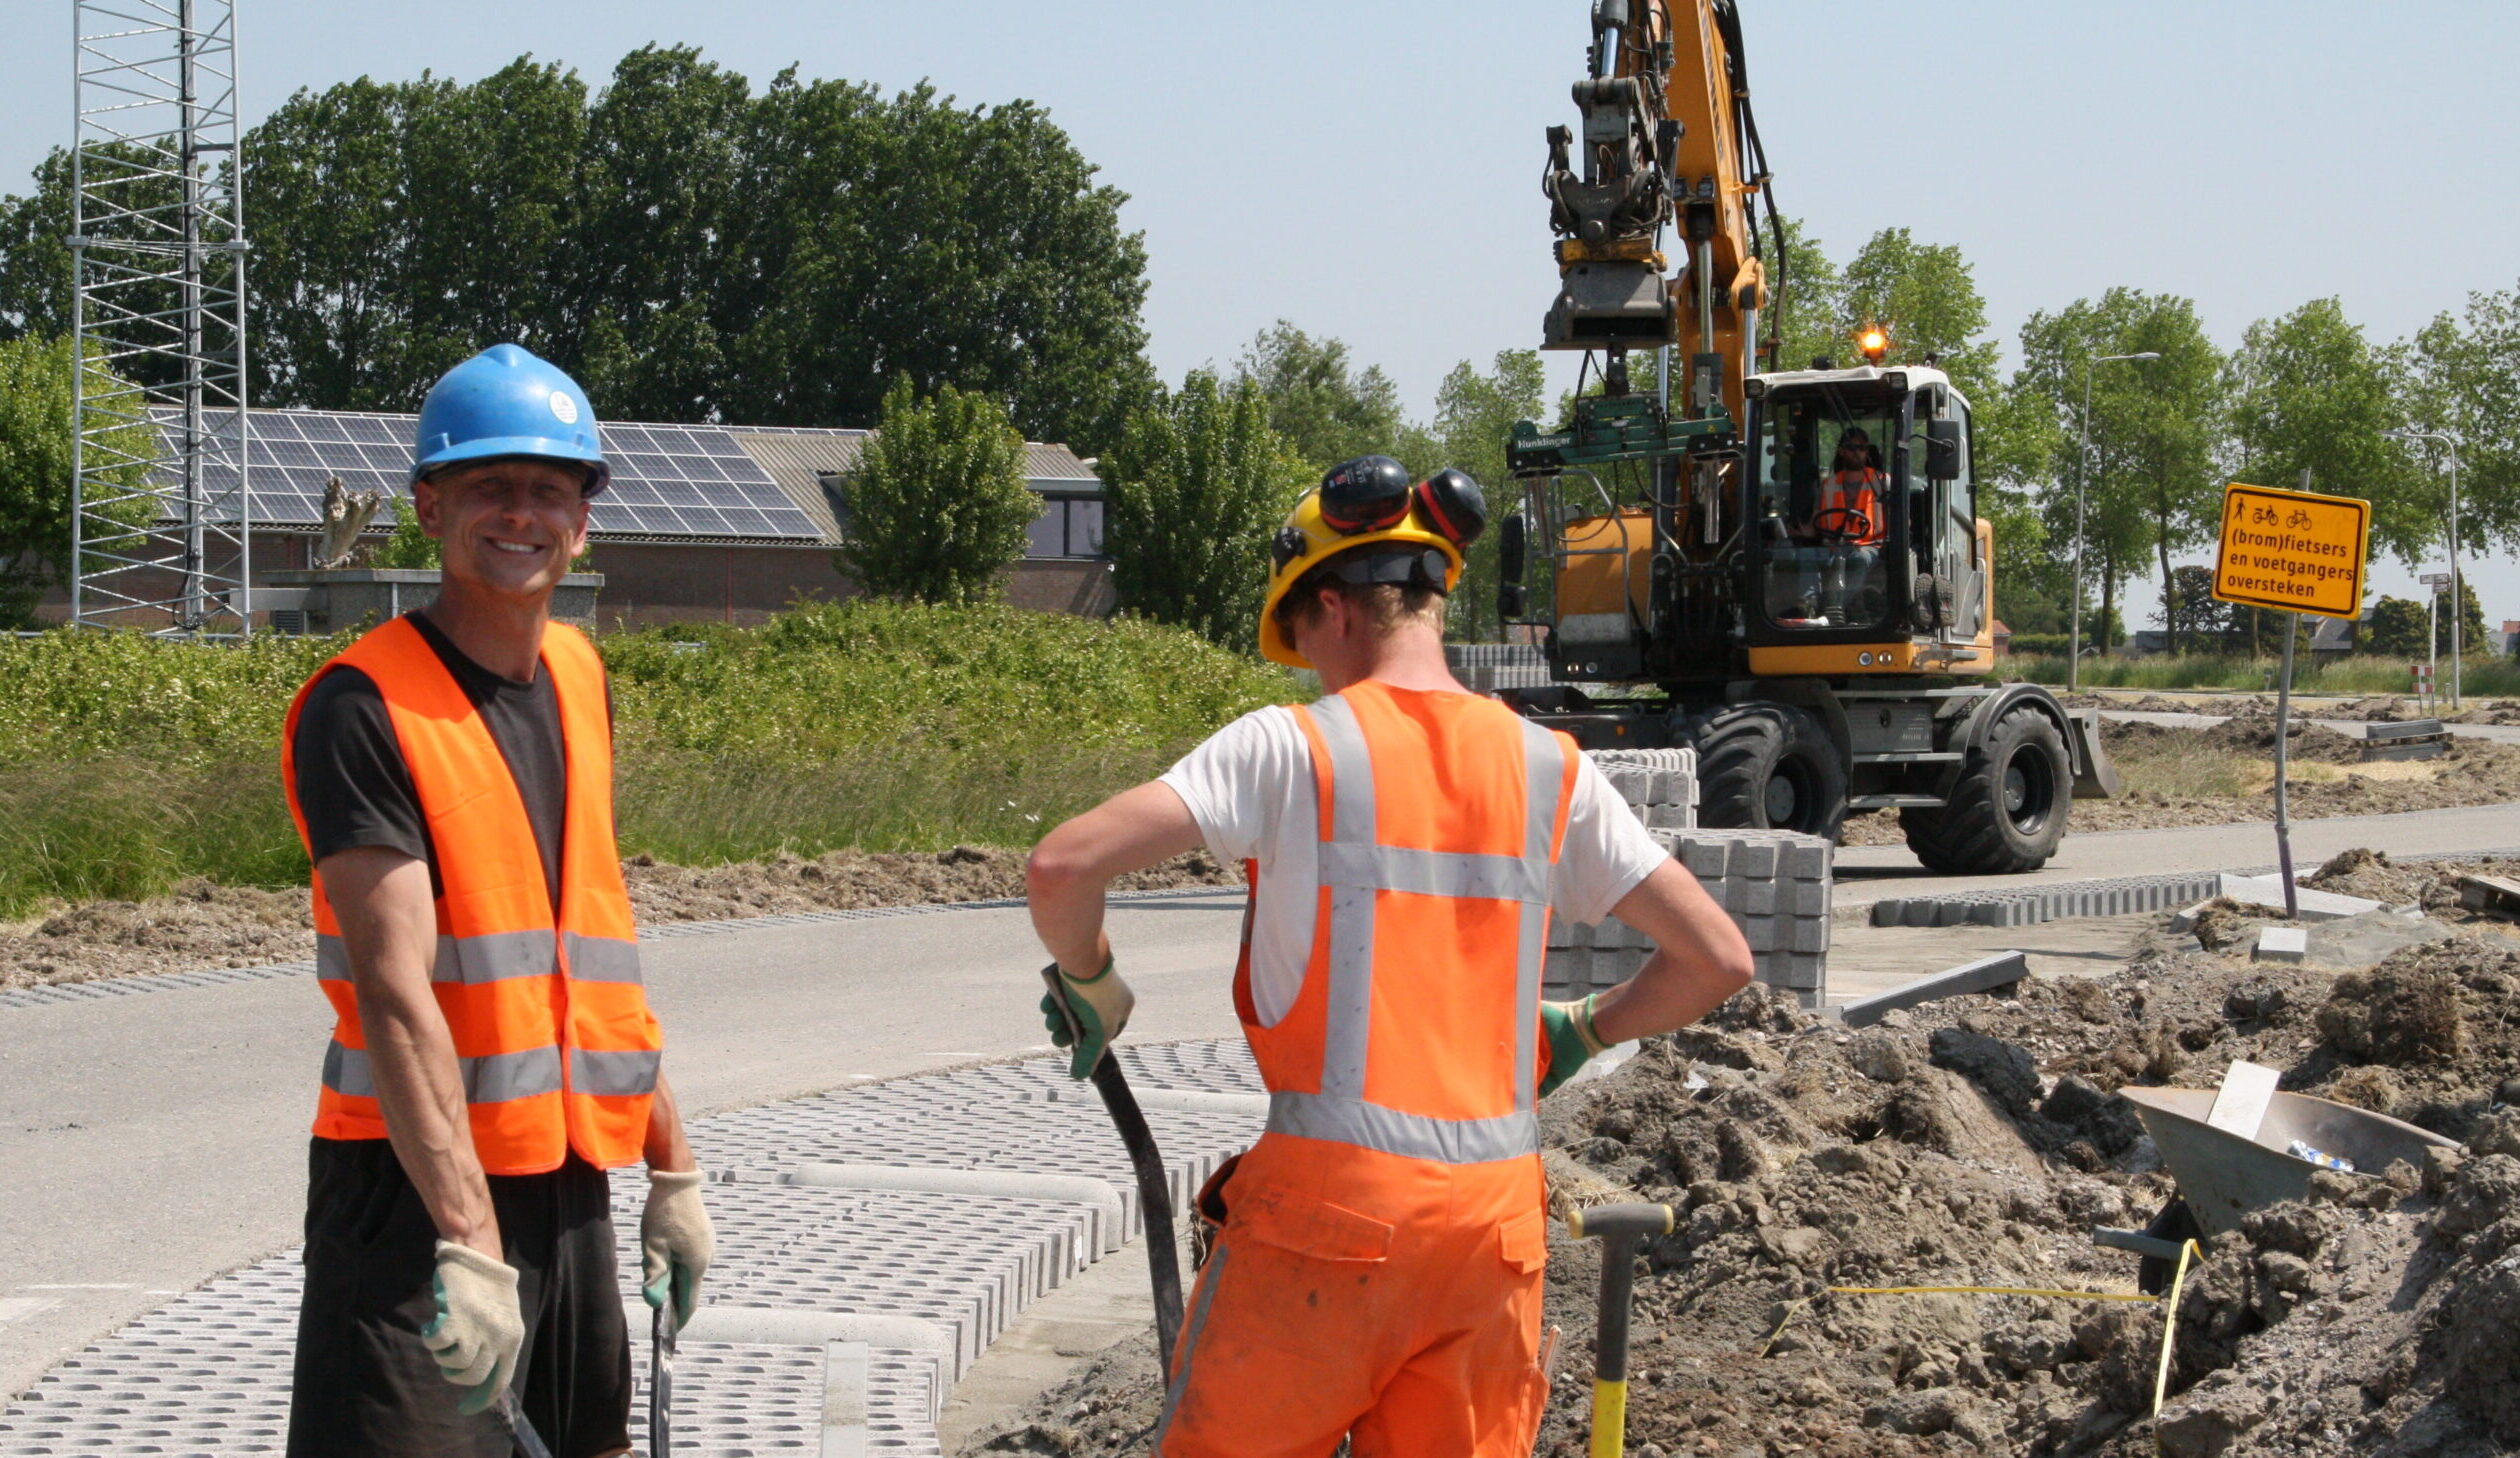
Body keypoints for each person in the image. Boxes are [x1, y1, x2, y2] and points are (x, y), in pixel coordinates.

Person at [1024, 455, 1756, 1457]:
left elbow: (1062, 866)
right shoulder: (1549, 768)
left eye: (1301, 639)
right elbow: (1718, 958)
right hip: (1493, 1242)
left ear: (1335, 608)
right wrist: (1585, 1029)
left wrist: (1092, 980)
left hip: (1328, 1224)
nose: (1307, 667)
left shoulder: (1291, 747)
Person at [281, 343, 713, 1458]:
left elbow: (592, 958)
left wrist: (671, 1164)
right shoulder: (362, 706)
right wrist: (465, 1240)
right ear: (428, 507)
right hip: (414, 1198)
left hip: (570, 1185)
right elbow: (395, 993)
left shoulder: (579, 674)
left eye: (549, 490)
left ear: (584, 520)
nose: (520, 514)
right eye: (487, 488)